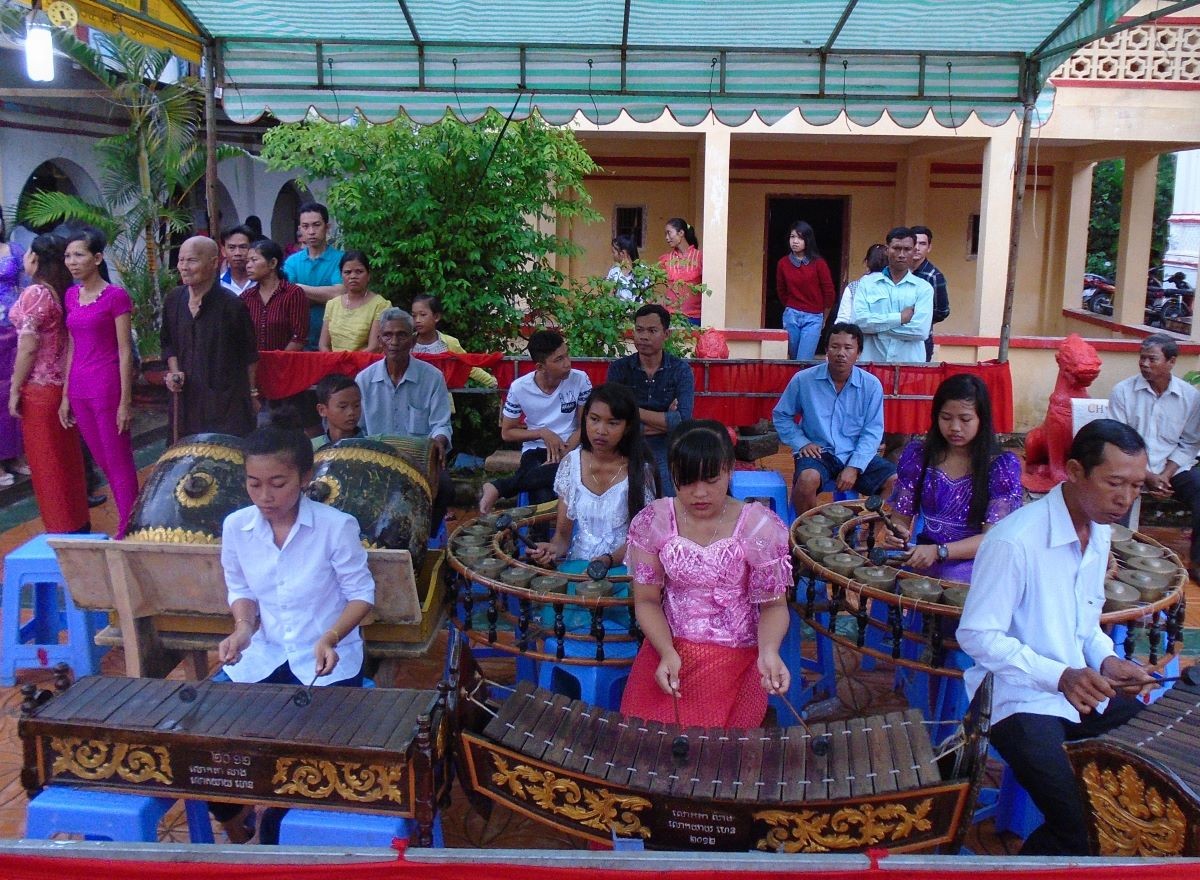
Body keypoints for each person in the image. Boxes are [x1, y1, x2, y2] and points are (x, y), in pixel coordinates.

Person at [958, 419, 1155, 856]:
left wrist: (1107, 660)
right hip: (1015, 699)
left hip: (1078, 690)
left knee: (1154, 776)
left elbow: (1084, 624)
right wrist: (1059, 675)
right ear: (1074, 471)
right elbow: (976, 635)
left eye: (1137, 487)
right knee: (1082, 822)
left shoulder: (1100, 532)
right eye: (1115, 483)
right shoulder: (1015, 541)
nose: (1125, 499)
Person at [211, 416, 375, 843]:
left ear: (306, 477)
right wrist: (243, 630)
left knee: (302, 762)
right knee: (214, 753)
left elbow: (361, 595)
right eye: (253, 483)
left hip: (325, 663)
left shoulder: (336, 526)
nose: (264, 496)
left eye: (278, 483)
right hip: (263, 657)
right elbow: (240, 587)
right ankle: (234, 821)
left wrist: (330, 636)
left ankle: (275, 830)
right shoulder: (236, 527)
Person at [618, 420, 791, 727]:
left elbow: (774, 605)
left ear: (729, 470)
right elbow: (646, 601)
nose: (699, 493)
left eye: (711, 480)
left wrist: (769, 652)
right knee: (646, 740)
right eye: (687, 482)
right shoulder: (654, 521)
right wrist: (666, 652)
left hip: (738, 654)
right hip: (670, 648)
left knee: (712, 751)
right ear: (672, 474)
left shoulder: (759, 526)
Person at [881, 375, 1022, 582]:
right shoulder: (918, 457)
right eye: (946, 418)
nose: (955, 427)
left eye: (965, 419)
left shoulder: (1000, 466)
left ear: (981, 420)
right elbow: (900, 517)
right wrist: (897, 533)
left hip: (971, 562)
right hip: (924, 552)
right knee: (884, 574)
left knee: (951, 580)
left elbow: (992, 538)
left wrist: (940, 551)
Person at [7, 234, 89, 533]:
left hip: (39, 389)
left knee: (47, 466)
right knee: (66, 461)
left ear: (36, 259)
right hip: (60, 387)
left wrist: (15, 388)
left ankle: (60, 529)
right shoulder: (62, 292)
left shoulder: (36, 293)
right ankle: (76, 522)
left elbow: (28, 347)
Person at [61, 228, 138, 538]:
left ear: (97, 258)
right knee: (102, 459)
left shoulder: (115, 297)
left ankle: (129, 525)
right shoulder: (70, 295)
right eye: (68, 256)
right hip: (79, 388)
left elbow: (124, 351)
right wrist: (66, 395)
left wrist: (125, 401)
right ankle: (130, 517)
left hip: (107, 387)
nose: (72, 262)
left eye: (79, 255)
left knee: (118, 459)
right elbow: (71, 345)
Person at [772, 322, 897, 515]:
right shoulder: (803, 380)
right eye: (835, 346)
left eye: (848, 348)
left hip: (856, 453)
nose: (841, 353)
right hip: (818, 453)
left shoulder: (871, 386)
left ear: (859, 352)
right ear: (826, 350)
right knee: (806, 481)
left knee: (896, 482)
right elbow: (781, 415)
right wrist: (802, 442)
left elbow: (872, 431)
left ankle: (865, 536)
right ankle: (810, 537)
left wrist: (855, 467)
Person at [528, 384, 656, 568]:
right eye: (594, 419)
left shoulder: (640, 471)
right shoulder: (571, 465)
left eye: (612, 423)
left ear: (627, 427)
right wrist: (552, 549)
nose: (601, 430)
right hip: (580, 565)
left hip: (625, 568)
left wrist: (608, 561)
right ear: (585, 419)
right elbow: (562, 537)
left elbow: (643, 540)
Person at [1108, 333, 1200, 581]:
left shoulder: (1190, 397)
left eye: (1152, 359)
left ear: (1171, 361)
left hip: (1172, 468)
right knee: (1116, 497)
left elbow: (1189, 442)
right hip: (1130, 466)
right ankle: (1116, 562)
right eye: (1142, 358)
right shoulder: (1123, 392)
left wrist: (1164, 475)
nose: (1145, 364)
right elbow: (1118, 441)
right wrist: (1146, 475)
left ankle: (1198, 563)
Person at [355, 308, 454, 525]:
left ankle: (426, 537)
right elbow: (358, 429)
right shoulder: (364, 380)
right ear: (379, 339)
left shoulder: (432, 378)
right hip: (377, 461)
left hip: (419, 460)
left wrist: (438, 441)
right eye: (388, 335)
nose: (394, 341)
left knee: (445, 487)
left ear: (413, 339)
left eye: (401, 335)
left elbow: (441, 424)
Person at [478, 330, 591, 513]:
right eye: (559, 359)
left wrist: (565, 452)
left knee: (553, 478)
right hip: (535, 450)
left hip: (571, 448)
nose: (567, 363)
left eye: (566, 355)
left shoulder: (580, 380)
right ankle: (540, 540)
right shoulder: (520, 388)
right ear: (540, 367)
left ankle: (500, 487)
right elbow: (507, 432)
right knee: (542, 492)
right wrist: (542, 433)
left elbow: (584, 425)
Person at [162, 236, 259, 438]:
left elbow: (249, 355)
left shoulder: (232, 305)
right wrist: (175, 373)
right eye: (181, 260)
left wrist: (251, 394)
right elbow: (168, 343)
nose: (184, 267)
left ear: (214, 263)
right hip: (186, 400)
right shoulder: (174, 300)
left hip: (226, 403)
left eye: (192, 260)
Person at [606, 303, 694, 496]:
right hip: (626, 442)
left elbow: (682, 422)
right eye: (639, 330)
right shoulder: (619, 369)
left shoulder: (680, 371)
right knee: (620, 494)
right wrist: (666, 419)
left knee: (666, 495)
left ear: (666, 334)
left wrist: (632, 411)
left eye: (652, 330)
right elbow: (613, 417)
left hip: (666, 444)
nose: (643, 336)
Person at [852, 227, 933, 363]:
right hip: (872, 365)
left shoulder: (923, 288)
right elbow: (859, 323)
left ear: (914, 251)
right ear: (887, 250)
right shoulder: (867, 284)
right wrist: (899, 318)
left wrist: (877, 329)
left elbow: (920, 331)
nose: (901, 254)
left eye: (907, 249)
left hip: (909, 365)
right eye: (896, 248)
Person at [283, 202, 343, 350]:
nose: (311, 231)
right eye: (305, 226)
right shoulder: (291, 261)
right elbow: (286, 296)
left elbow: (339, 295)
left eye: (316, 225)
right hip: (297, 342)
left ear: (327, 227)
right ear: (299, 229)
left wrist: (297, 289)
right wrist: (323, 296)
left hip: (333, 343)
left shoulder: (342, 259)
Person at [410, 293, 498, 390]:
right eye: (414, 316)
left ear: (436, 317)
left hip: (441, 399)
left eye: (423, 315)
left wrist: (491, 382)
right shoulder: (407, 343)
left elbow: (468, 365)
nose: (417, 320)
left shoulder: (449, 343)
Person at [776, 221, 836, 361]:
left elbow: (829, 293)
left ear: (807, 240)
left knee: (803, 360)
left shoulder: (819, 263)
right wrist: (791, 305)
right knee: (793, 359)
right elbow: (781, 290)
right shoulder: (783, 263)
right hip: (791, 315)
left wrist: (824, 318)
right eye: (792, 237)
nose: (795, 241)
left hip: (814, 317)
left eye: (800, 238)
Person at [241, 239, 308, 353]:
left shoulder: (293, 293)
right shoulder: (246, 297)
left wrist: (279, 361)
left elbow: (299, 336)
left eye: (254, 260)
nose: (248, 266)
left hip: (286, 364)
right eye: (247, 261)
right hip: (254, 365)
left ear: (272, 263)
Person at [0, 218, 27, 486]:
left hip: (15, 328)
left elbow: (27, 283)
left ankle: (16, 456)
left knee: (16, 389)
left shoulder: (15, 250)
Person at [318, 250, 387, 352]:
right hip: (333, 364)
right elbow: (323, 345)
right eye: (347, 272)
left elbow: (374, 347)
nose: (353, 276)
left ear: (368, 275)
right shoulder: (332, 304)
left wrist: (348, 364)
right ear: (341, 275)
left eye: (359, 271)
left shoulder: (380, 304)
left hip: (365, 365)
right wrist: (334, 364)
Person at [910, 226, 950, 363]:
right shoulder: (899, 272)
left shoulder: (934, 276)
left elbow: (943, 311)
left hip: (923, 339)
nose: (917, 248)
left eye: (922, 244)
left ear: (929, 248)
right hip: (897, 338)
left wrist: (920, 316)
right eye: (914, 242)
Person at [658, 218, 702, 325]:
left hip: (695, 317)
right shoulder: (666, 259)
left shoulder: (699, 257)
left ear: (681, 233)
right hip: (671, 316)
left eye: (669, 233)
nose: (667, 238)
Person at [834, 243, 888, 324]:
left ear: (866, 262)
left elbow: (843, 319)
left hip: (858, 335)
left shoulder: (853, 287)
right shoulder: (895, 287)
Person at [311, 373, 364, 451]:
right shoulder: (311, 448)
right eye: (343, 407)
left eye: (356, 405)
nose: (351, 412)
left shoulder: (373, 445)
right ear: (322, 410)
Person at [606, 234, 649, 302]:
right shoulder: (614, 271)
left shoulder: (643, 271)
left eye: (614, 252)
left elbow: (648, 298)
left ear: (623, 253)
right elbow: (609, 296)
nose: (612, 255)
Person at [219, 225, 255, 296]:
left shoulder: (261, 282)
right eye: (232, 247)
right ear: (223, 251)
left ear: (252, 249)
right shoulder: (218, 284)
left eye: (243, 247)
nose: (237, 253)